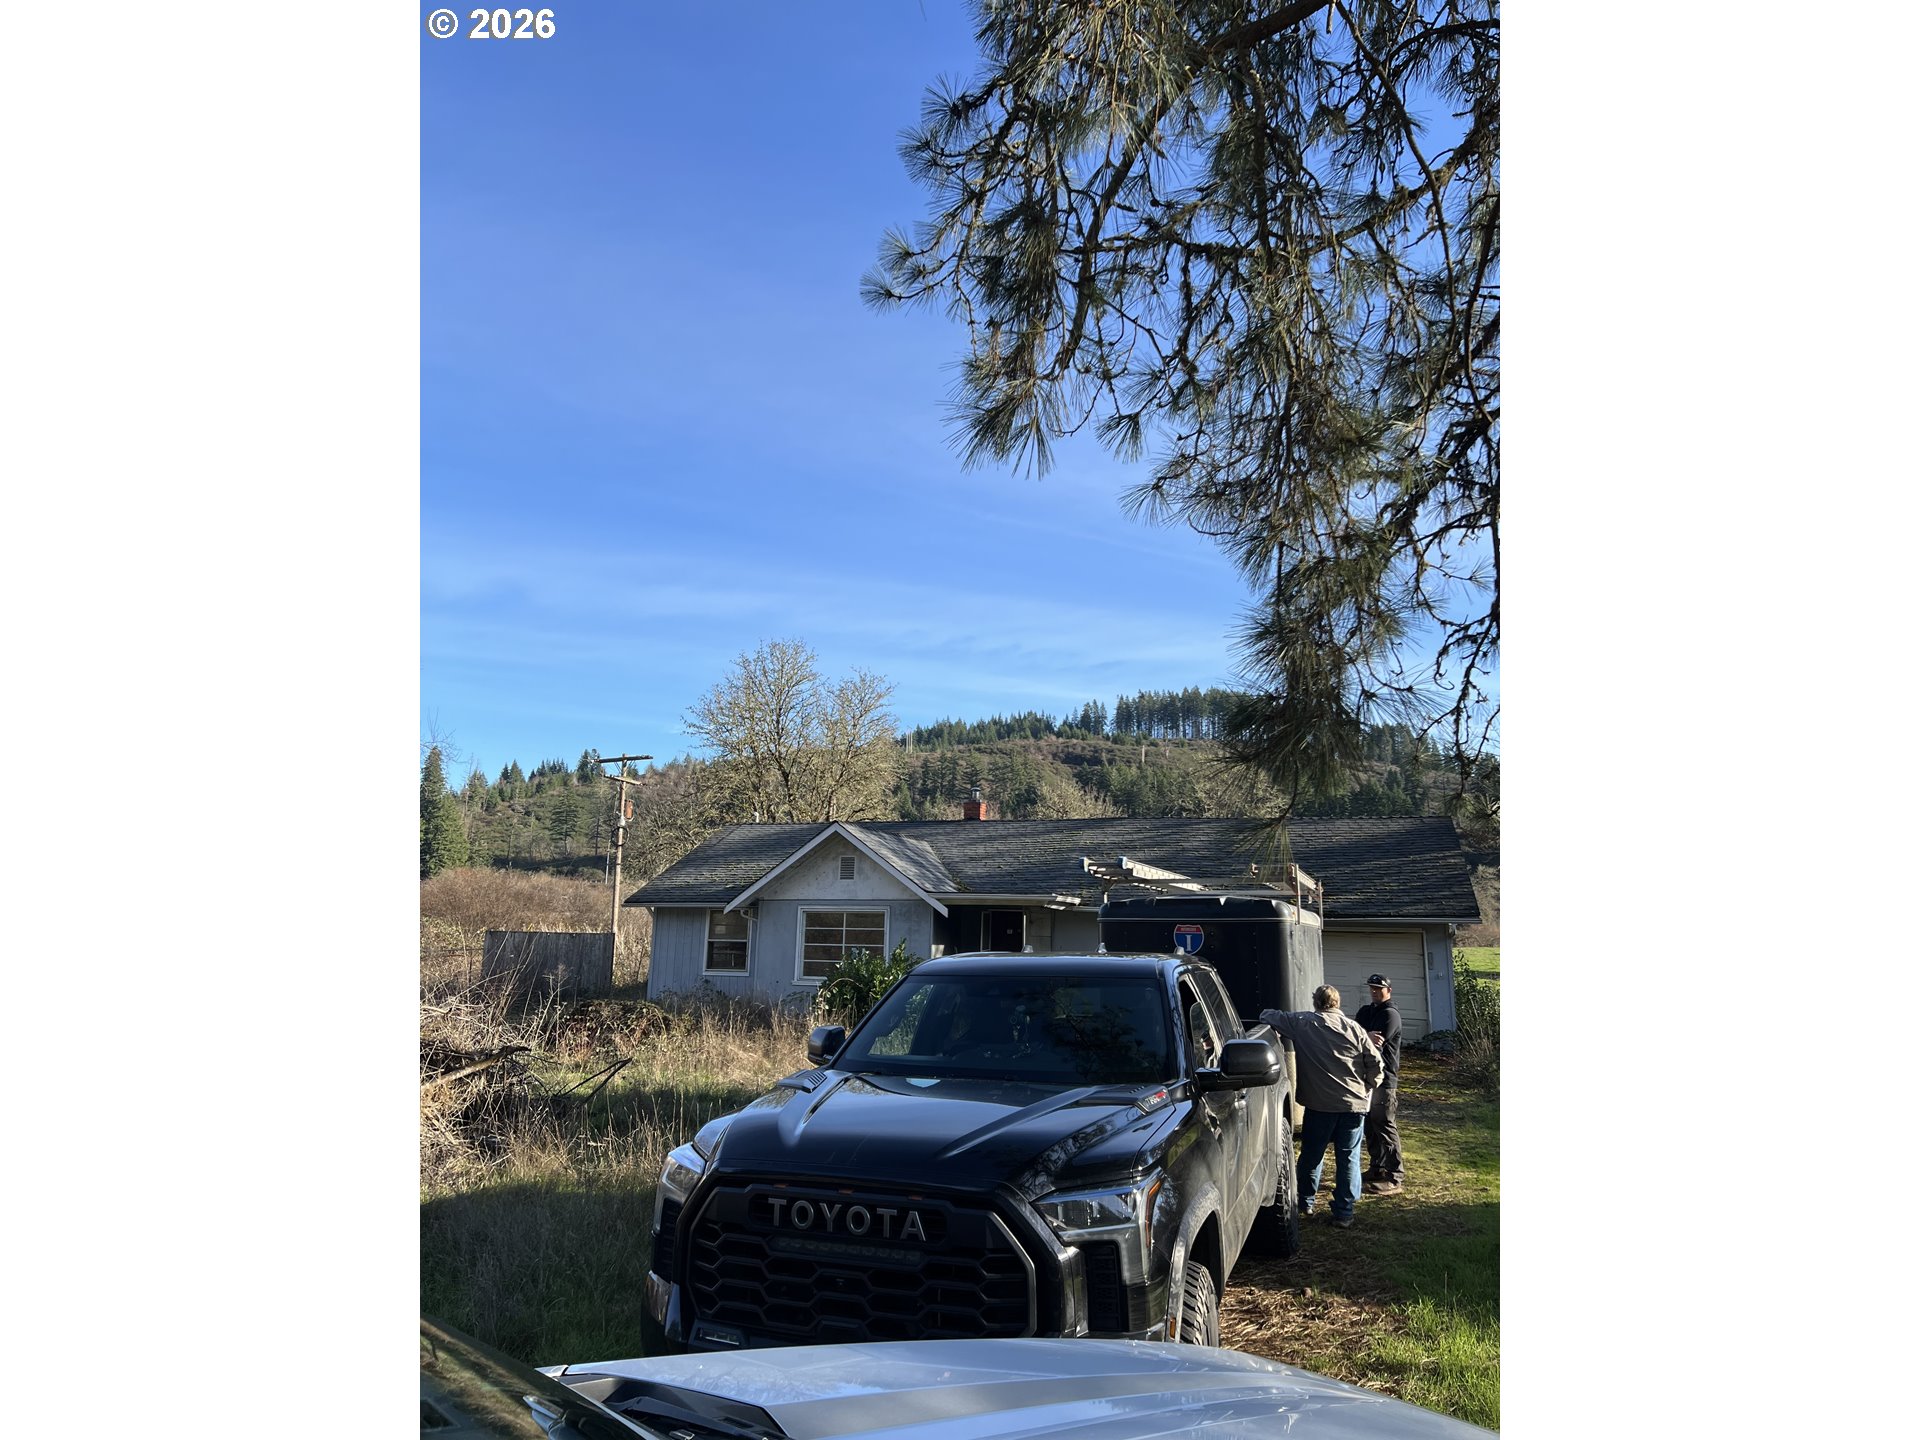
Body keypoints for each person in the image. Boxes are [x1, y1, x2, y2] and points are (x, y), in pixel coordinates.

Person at [1259, 984, 1383, 1229]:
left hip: (1319, 1104)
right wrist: (1368, 1085)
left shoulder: (1303, 1023)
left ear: (1315, 1002)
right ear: (1338, 1003)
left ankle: (1305, 1201)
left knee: (1312, 1154)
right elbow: (1376, 1063)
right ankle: (1345, 1212)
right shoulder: (1355, 1028)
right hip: (1353, 1104)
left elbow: (1267, 1016)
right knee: (1348, 1158)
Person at [1352, 973, 1405, 1195]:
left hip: (1385, 1079)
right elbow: (1352, 1036)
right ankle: (1377, 1168)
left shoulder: (1390, 1015)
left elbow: (1375, 1045)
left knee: (1384, 1124)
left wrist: (1361, 1036)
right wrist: (1365, 1034)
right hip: (1366, 1078)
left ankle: (1395, 1177)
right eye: (1372, 988)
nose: (1374, 992)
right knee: (1370, 1126)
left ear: (1388, 990)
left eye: (1379, 989)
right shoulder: (1366, 1011)